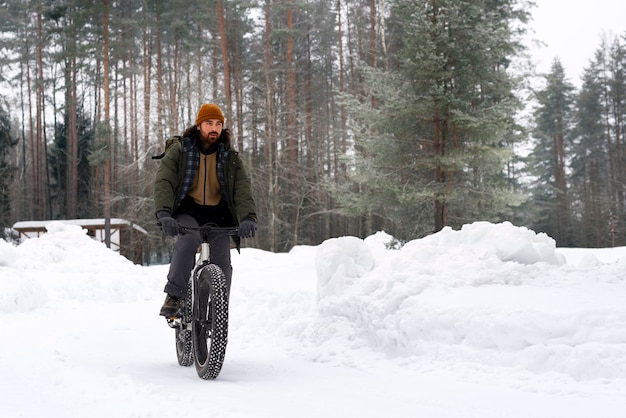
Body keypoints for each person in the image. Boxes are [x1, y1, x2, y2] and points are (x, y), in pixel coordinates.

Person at [154, 103, 257, 317]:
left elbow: (242, 188)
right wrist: (164, 214)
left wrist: (248, 217)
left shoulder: (229, 157)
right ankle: (174, 295)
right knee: (189, 241)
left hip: (218, 215)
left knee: (222, 262)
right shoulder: (181, 151)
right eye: (209, 123)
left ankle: (218, 310)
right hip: (188, 211)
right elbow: (165, 180)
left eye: (218, 124)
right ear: (199, 125)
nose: (214, 128)